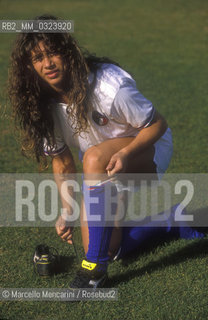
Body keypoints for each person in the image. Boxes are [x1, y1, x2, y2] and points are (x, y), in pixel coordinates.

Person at [8, 15, 204, 288]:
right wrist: (68, 209)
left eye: (53, 53)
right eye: (38, 58)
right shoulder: (42, 106)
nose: (47, 63)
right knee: (109, 248)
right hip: (100, 166)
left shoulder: (109, 86)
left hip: (147, 148)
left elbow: (158, 124)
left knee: (93, 159)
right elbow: (63, 162)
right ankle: (173, 220)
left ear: (68, 53)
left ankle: (94, 272)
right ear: (30, 66)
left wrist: (126, 154)